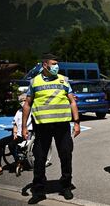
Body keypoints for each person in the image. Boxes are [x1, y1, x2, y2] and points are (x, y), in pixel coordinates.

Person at [22, 53, 80, 204]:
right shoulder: (34, 82)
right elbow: (27, 104)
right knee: (39, 159)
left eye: (57, 64)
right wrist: (23, 127)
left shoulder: (64, 80)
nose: (56, 66)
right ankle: (39, 191)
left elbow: (72, 102)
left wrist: (77, 122)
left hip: (62, 126)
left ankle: (65, 186)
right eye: (53, 63)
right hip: (42, 126)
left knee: (66, 156)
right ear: (45, 65)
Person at [0, 94, 32, 177]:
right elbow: (15, 123)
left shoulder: (32, 111)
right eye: (20, 101)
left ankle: (18, 161)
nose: (22, 102)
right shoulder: (18, 111)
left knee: (12, 144)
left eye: (24, 100)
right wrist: (14, 133)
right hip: (17, 135)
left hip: (27, 135)